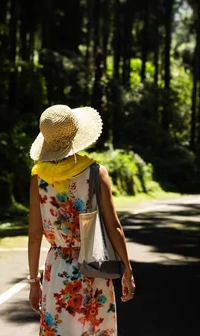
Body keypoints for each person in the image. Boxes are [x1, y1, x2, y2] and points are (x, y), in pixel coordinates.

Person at [27, 104, 136, 336]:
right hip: (94, 263)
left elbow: (35, 235)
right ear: (76, 135)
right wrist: (127, 270)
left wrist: (33, 282)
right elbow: (113, 226)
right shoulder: (95, 172)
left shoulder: (39, 178)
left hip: (57, 268)